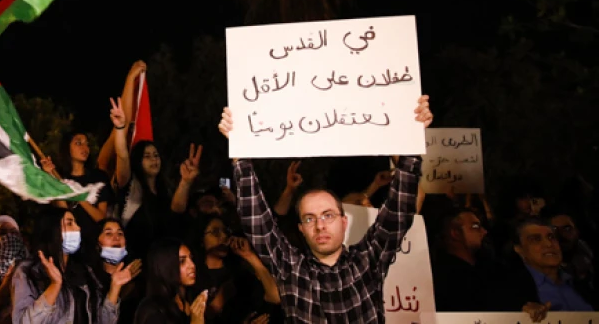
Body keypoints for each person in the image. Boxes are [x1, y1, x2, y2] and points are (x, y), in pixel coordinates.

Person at [218, 96, 433, 322]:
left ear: (343, 221)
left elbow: (399, 212)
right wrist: (240, 155)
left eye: (328, 216)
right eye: (310, 219)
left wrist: (410, 137)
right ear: (301, 229)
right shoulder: (291, 269)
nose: (320, 225)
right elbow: (258, 224)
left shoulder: (368, 261)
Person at [10, 208, 133, 323]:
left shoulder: (84, 271)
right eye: (70, 224)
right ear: (53, 230)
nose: (78, 228)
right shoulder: (28, 272)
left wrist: (115, 287)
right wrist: (54, 286)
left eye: (76, 223)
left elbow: (104, 321)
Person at [133, 237, 208, 324]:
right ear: (166, 267)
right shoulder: (152, 310)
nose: (192, 265)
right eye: (182, 261)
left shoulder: (193, 300)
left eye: (191, 258)